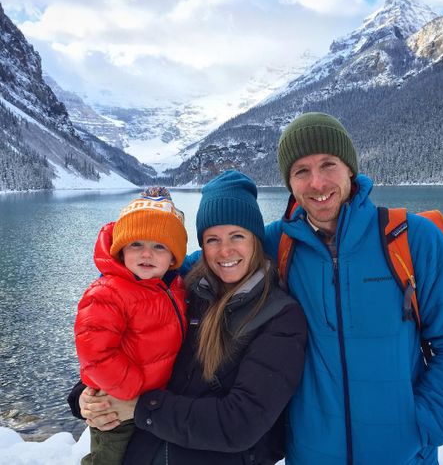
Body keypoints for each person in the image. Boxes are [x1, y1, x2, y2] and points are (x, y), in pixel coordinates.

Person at [261, 112, 443, 464]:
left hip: (403, 455)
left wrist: (424, 425)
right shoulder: (277, 245)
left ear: (350, 169)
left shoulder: (412, 240)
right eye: (301, 171)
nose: (316, 182)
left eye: (328, 164)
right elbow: (215, 258)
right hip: (311, 454)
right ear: (290, 183)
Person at [69, 170, 307, 465]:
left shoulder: (280, 317)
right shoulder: (185, 292)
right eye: (212, 239)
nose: (225, 251)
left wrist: (141, 407)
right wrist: (87, 397)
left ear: (256, 240)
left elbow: (240, 424)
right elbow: (137, 348)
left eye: (237, 236)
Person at [74, 186, 188, 464]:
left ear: (173, 257)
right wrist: (131, 389)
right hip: (116, 406)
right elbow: (95, 353)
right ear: (121, 249)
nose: (146, 254)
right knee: (108, 459)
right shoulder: (108, 291)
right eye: (136, 244)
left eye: (159, 246)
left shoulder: (173, 286)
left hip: (149, 403)